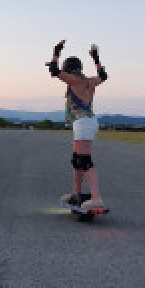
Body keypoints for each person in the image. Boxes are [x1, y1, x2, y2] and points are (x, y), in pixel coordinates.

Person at [47, 40, 108, 211]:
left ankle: (96, 198)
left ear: (68, 69)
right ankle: (76, 193)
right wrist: (96, 58)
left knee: (84, 160)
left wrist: (56, 52)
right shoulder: (90, 81)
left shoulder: (74, 80)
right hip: (85, 122)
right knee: (76, 160)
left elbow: (53, 70)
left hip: (83, 123)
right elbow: (103, 76)